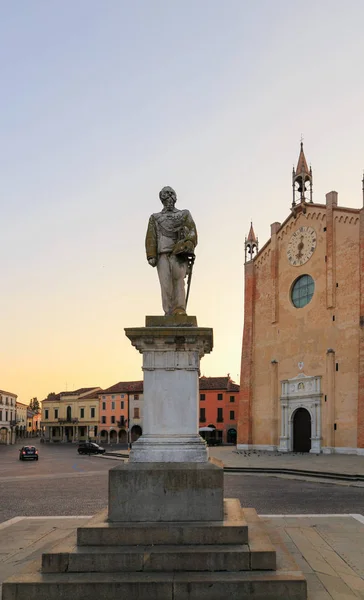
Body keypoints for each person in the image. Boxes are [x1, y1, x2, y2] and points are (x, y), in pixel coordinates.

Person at [145, 186, 197, 316]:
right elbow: (151, 236)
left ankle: (179, 309)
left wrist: (188, 244)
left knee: (178, 281)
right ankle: (168, 311)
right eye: (165, 196)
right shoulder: (155, 218)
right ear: (162, 200)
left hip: (178, 254)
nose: (169, 199)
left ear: (175, 198)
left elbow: (192, 232)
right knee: (165, 284)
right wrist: (151, 254)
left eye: (171, 196)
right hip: (162, 254)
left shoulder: (183, 214)